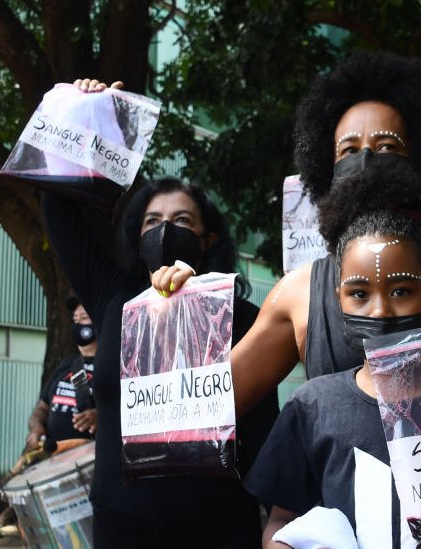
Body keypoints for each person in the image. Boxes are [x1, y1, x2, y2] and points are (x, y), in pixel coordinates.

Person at [153, 51, 421, 416]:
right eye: (348, 150)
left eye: (387, 146)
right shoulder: (298, 292)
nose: (364, 160)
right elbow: (204, 410)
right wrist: (180, 313)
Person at [41, 81, 278, 545]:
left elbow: (263, 431)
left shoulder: (245, 316)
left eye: (182, 221)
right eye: (153, 222)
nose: (166, 230)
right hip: (121, 523)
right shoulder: (114, 301)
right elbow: (57, 206)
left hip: (219, 525)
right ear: (136, 237)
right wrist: (94, 115)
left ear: (209, 239)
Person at [246, 169, 421, 548]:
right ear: (338, 300)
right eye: (358, 294)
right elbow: (280, 524)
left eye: (402, 290)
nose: (380, 311)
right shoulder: (312, 406)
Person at [25, 298, 98, 452]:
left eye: (84, 318)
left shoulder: (111, 367)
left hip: (88, 459)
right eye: (75, 319)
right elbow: (41, 410)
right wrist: (36, 428)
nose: (77, 325)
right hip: (53, 457)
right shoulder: (67, 364)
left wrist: (101, 416)